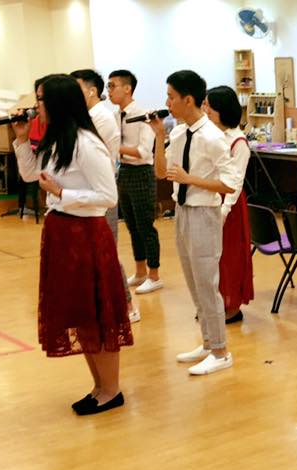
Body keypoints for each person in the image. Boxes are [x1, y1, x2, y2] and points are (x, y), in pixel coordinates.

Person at [11, 74, 132, 415]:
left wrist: (63, 193)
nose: (36, 106)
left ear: (58, 103)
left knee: (97, 315)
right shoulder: (57, 139)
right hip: (63, 233)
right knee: (80, 313)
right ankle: (99, 386)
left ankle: (111, 390)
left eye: (40, 99)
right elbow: (32, 176)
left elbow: (108, 196)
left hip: (86, 234)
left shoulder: (86, 142)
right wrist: (21, 140)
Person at [149, 70, 237, 376]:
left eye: (171, 97)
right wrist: (159, 137)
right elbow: (161, 173)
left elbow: (230, 183)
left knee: (207, 283)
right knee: (193, 281)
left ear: (189, 100)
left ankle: (221, 351)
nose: (167, 103)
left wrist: (191, 179)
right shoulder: (178, 133)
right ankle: (208, 341)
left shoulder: (213, 137)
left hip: (204, 213)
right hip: (183, 210)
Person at [71, 68, 140, 323]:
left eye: (76, 89)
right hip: (88, 194)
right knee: (93, 254)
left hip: (102, 193)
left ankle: (128, 305)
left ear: (91, 91)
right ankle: (102, 305)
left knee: (106, 252)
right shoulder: (88, 116)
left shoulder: (100, 117)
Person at [202, 86, 253, 324]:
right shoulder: (211, 135)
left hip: (229, 204)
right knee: (211, 256)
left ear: (221, 110)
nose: (205, 111)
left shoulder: (238, 141)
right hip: (211, 197)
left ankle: (232, 306)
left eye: (209, 107)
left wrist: (224, 210)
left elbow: (236, 182)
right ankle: (215, 302)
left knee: (229, 256)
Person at [107, 69, 162, 294]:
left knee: (145, 225)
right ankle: (140, 272)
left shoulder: (143, 115)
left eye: (113, 86)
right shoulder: (114, 116)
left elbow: (143, 151)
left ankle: (154, 275)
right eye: (108, 86)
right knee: (131, 225)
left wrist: (113, 147)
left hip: (142, 173)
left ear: (127, 88)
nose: (109, 91)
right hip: (124, 173)